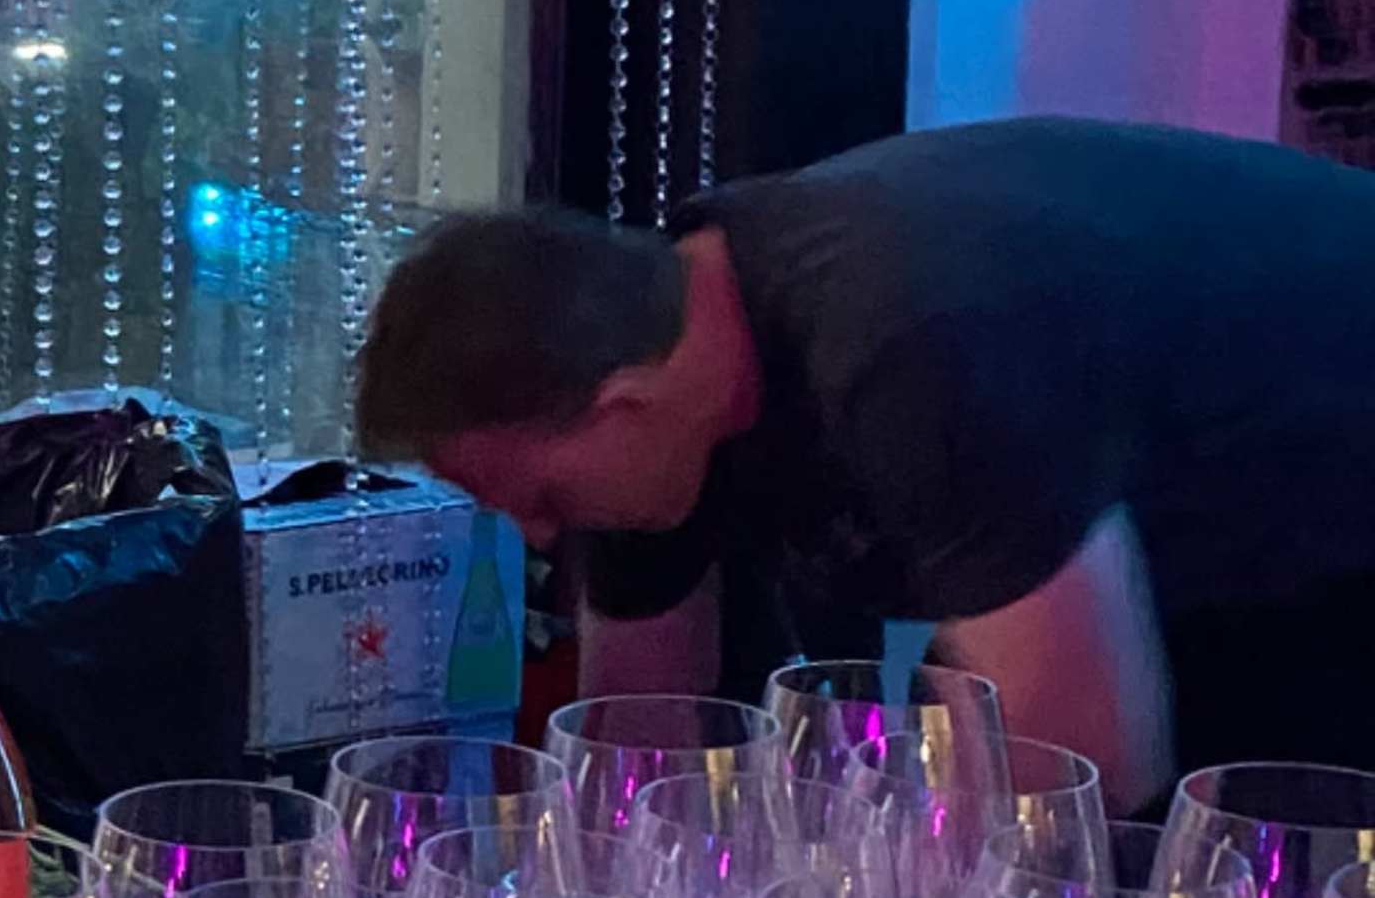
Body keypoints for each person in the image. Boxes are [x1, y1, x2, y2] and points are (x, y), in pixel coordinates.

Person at [350, 119, 1375, 804]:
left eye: (544, 497)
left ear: (620, 405)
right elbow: (638, 750)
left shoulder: (910, 340)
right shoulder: (666, 368)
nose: (538, 535)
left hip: (1331, 528)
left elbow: (1074, 756)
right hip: (1217, 571)